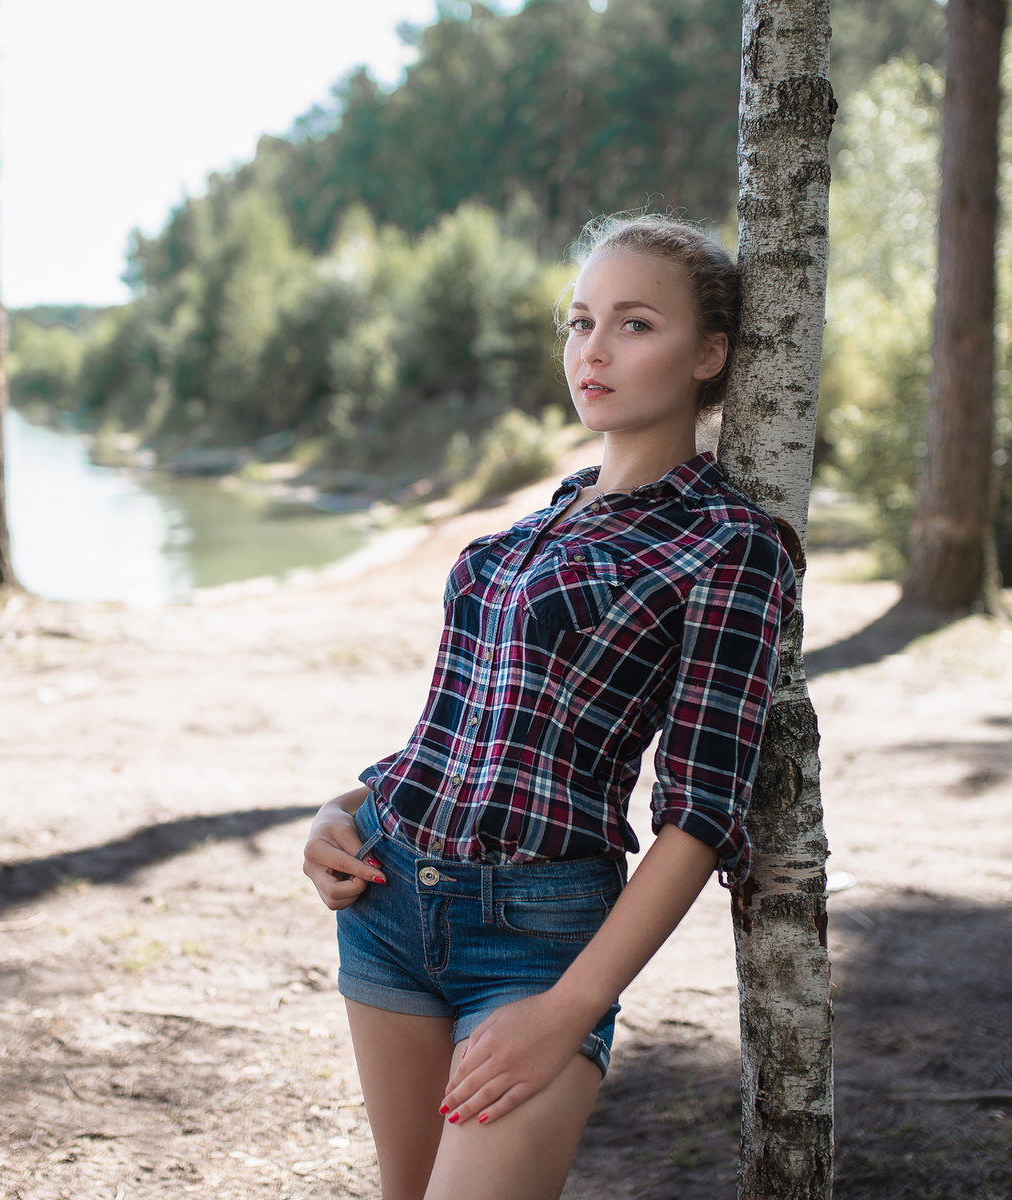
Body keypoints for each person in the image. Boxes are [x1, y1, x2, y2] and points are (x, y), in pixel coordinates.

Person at [301, 213, 796, 1200]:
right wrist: (343, 811)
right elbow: (455, 736)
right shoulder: (538, 520)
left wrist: (572, 1007)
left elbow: (700, 812)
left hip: (534, 934)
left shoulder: (730, 543)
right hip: (388, 903)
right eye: (579, 323)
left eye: (634, 324)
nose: (594, 350)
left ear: (709, 354)